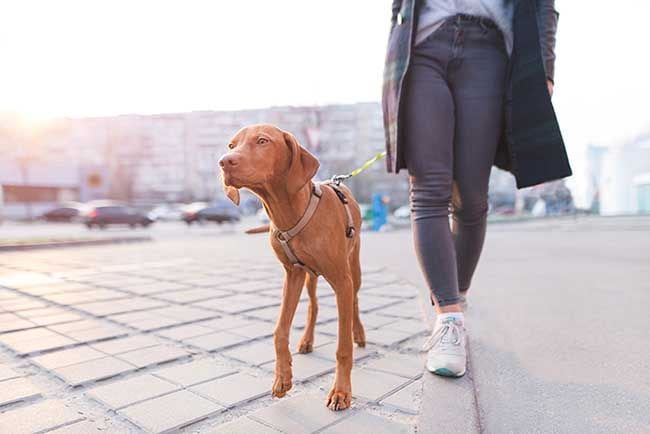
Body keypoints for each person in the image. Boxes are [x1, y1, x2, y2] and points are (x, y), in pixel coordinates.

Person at [382, 0, 572, 377]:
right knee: (429, 188)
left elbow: (544, 6)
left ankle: (458, 297)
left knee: (471, 198)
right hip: (422, 47)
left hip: (489, 51)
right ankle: (448, 318)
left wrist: (545, 68)